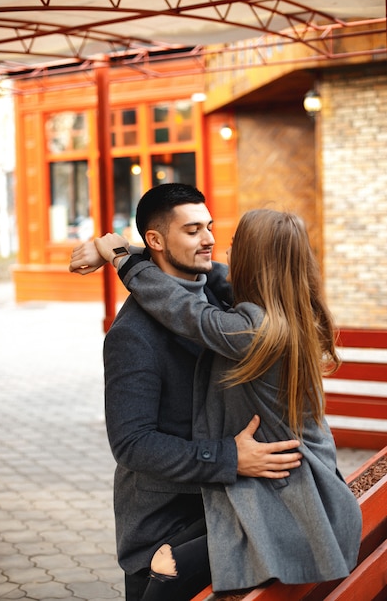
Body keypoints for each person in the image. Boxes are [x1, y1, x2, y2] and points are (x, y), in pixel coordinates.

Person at [89, 207, 362, 596]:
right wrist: (133, 248)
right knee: (171, 567)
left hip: (295, 505)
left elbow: (189, 312)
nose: (219, 248)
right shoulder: (290, 312)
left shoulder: (254, 330)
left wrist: (121, 257)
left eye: (235, 246)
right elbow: (206, 277)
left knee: (168, 575)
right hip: (307, 491)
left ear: (252, 260)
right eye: (197, 231)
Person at [69, 185, 303, 601]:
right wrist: (232, 457)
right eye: (193, 230)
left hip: (230, 510)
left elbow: (194, 292)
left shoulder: (221, 296)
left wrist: (121, 254)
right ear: (157, 240)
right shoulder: (133, 336)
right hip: (169, 531)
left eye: (209, 227)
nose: (210, 239)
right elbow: (133, 445)